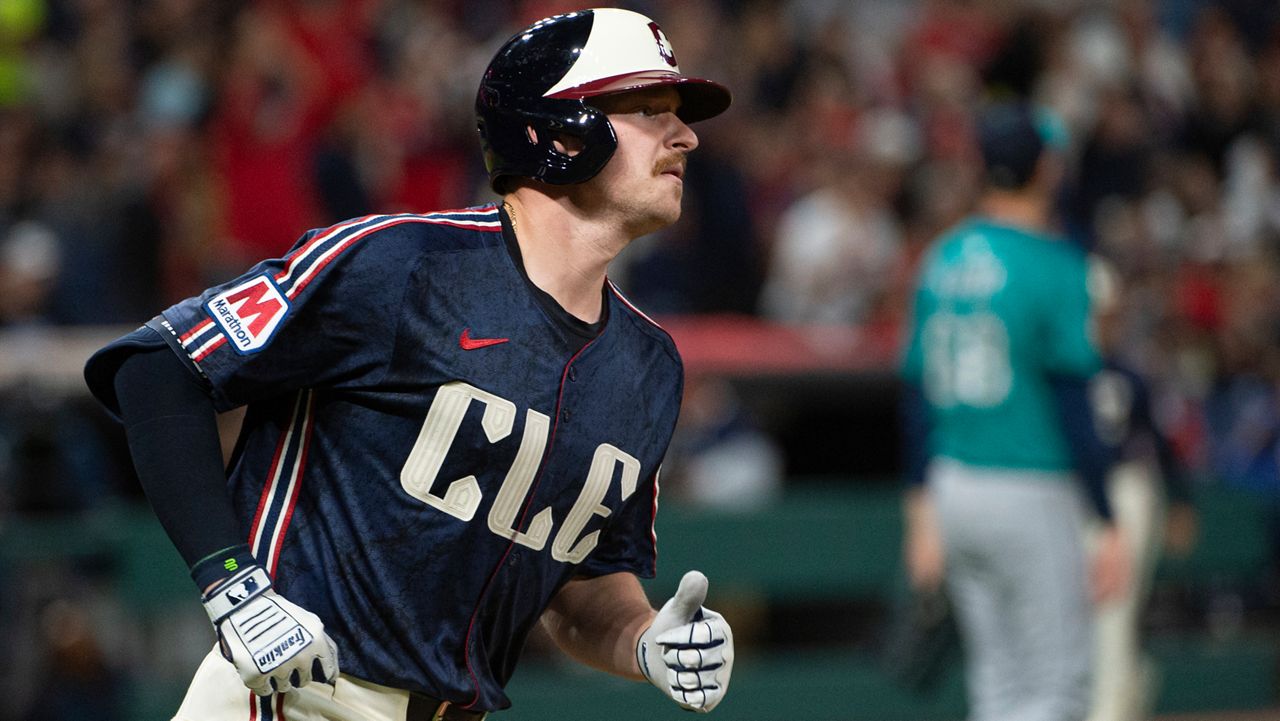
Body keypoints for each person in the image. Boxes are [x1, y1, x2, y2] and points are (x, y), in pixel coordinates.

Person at [83, 8, 735, 720]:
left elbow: (579, 586)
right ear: (559, 131)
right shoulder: (404, 264)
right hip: (296, 697)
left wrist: (643, 638)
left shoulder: (649, 366)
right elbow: (157, 367)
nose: (686, 136)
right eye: (649, 108)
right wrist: (233, 586)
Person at [898, 102, 1129, 721]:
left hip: (954, 483)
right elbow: (1075, 399)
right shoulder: (1055, 264)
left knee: (998, 684)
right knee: (1057, 689)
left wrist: (920, 506)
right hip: (1029, 482)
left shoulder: (941, 257)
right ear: (1046, 169)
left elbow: (916, 396)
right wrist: (1105, 515)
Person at [1085, 257, 1197, 721]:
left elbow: (1164, 444)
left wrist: (1182, 502)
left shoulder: (1130, 374)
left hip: (1128, 488)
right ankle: (1122, 690)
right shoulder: (1062, 376)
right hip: (1074, 494)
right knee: (1088, 614)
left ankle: (1112, 707)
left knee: (1116, 611)